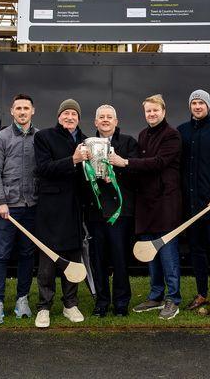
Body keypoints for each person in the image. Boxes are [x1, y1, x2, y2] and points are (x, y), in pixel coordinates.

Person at [110, 94, 182, 320]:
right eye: (148, 111)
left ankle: (173, 299)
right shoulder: (142, 135)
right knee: (149, 252)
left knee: (168, 253)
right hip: (146, 204)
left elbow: (159, 163)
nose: (151, 114)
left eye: (155, 110)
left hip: (166, 203)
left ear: (163, 111)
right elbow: (141, 170)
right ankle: (156, 296)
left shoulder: (172, 135)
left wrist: (126, 162)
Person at [33, 99, 88, 328]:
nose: (69, 117)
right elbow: (42, 169)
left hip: (76, 209)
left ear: (78, 118)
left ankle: (70, 305)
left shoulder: (87, 141)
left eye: (73, 114)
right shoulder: (44, 137)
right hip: (51, 209)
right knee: (47, 262)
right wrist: (73, 160)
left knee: (73, 259)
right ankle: (44, 308)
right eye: (65, 113)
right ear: (58, 117)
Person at [177, 89, 210, 316]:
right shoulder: (182, 131)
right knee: (196, 251)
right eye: (194, 103)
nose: (197, 106)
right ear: (190, 106)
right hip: (191, 205)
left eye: (201, 103)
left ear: (207, 105)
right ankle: (202, 294)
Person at [0, 94, 38, 324]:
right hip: (6, 209)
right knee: (1, 254)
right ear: (12, 111)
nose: (22, 111)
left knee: (27, 254)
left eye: (26, 108)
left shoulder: (40, 137)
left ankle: (22, 300)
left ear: (32, 111)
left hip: (31, 207)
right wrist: (0, 201)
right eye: (18, 108)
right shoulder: (1, 137)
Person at [85, 105, 138, 317]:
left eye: (109, 117)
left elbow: (136, 173)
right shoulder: (86, 145)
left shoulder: (128, 142)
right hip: (95, 210)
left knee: (119, 259)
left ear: (116, 121)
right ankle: (101, 302)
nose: (105, 120)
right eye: (101, 117)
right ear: (95, 122)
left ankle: (121, 303)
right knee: (98, 261)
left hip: (120, 211)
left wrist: (116, 172)